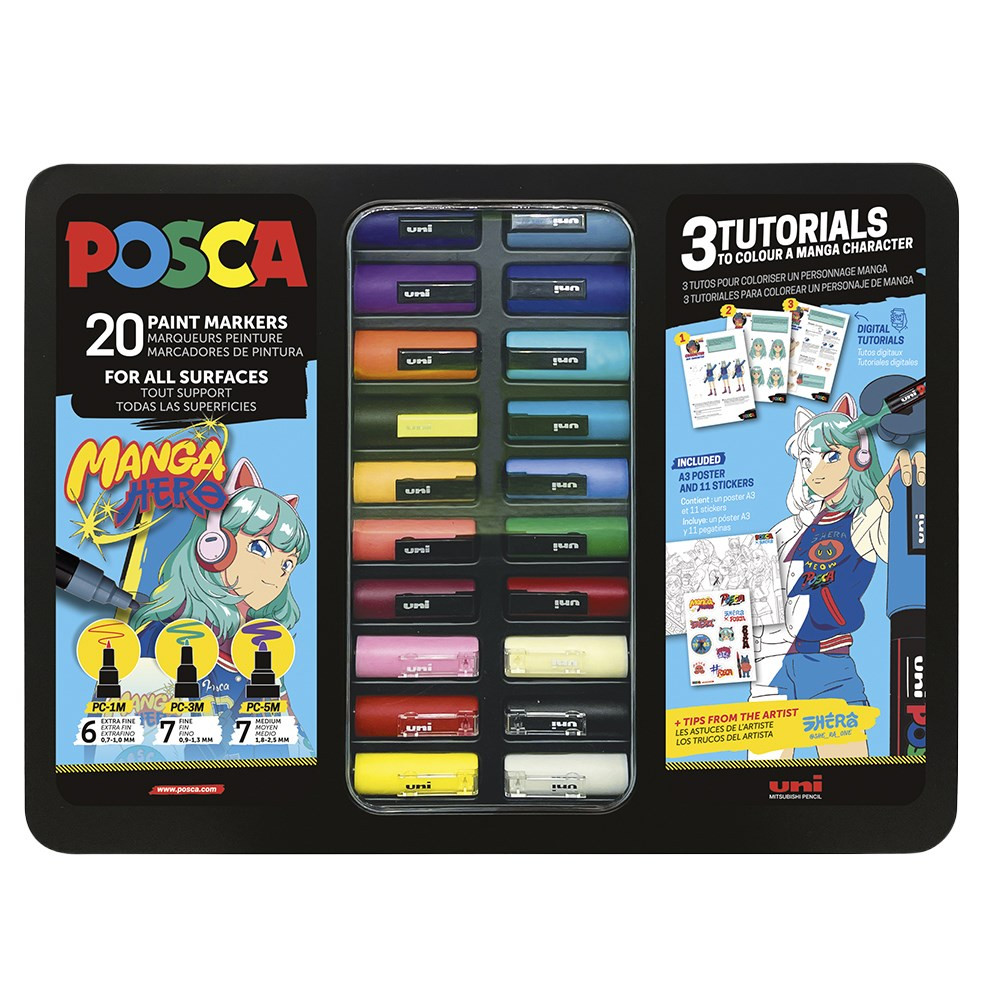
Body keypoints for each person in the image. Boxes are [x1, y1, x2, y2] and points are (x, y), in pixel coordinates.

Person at [749, 394, 926, 759]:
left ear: (860, 455)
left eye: (830, 456)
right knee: (756, 782)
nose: (815, 471)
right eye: (807, 460)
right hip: (769, 668)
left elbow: (897, 542)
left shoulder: (865, 519)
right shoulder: (784, 530)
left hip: (828, 664)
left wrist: (912, 493)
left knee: (850, 776)